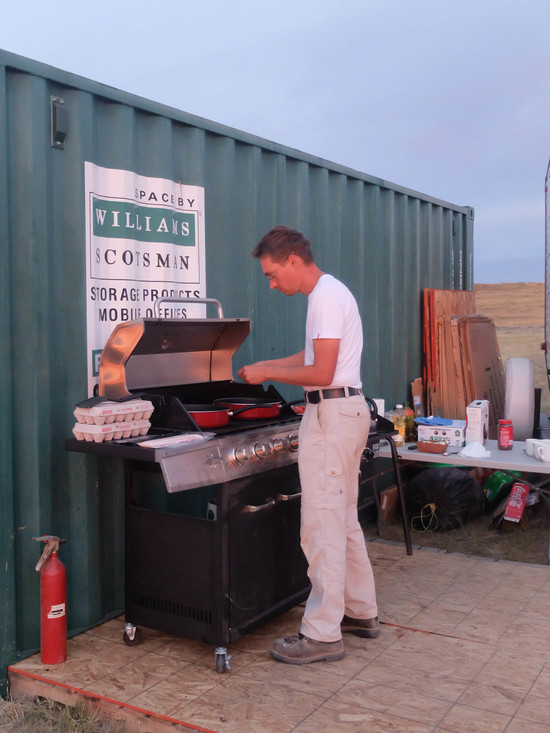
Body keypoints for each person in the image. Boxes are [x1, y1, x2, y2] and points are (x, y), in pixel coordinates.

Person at [238, 225, 379, 665]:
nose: (273, 284)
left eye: (273, 274)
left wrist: (269, 376)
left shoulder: (323, 298)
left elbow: (321, 373)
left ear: (293, 261)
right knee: (342, 519)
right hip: (347, 413)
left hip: (332, 416)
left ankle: (321, 635)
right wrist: (265, 365)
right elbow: (311, 357)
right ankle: (360, 611)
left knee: (321, 524)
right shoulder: (331, 292)